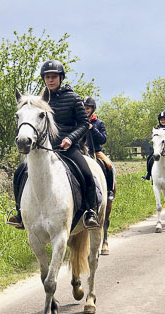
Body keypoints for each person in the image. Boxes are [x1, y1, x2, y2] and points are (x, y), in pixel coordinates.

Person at [8, 60, 99, 229]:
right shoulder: (38, 101)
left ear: (61, 78)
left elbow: (84, 123)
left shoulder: (73, 98)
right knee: (19, 173)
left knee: (86, 173)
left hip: (67, 148)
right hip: (44, 148)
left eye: (54, 76)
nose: (51, 80)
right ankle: (20, 214)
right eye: (47, 77)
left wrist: (70, 139)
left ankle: (90, 212)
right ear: (44, 79)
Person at [82, 97, 115, 201]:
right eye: (84, 108)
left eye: (88, 108)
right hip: (81, 151)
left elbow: (103, 139)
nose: (86, 110)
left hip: (96, 151)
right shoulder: (78, 121)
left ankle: (109, 190)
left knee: (108, 165)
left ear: (92, 109)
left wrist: (92, 129)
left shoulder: (99, 123)